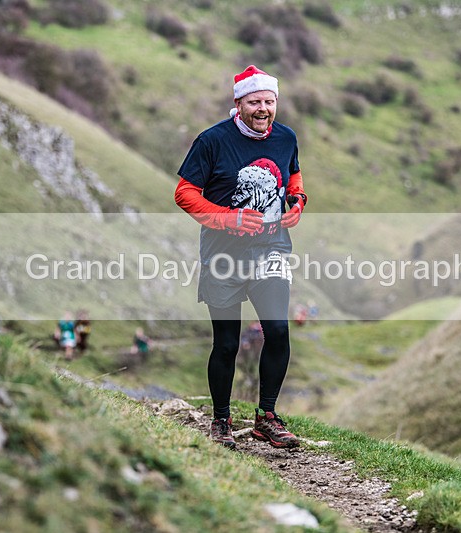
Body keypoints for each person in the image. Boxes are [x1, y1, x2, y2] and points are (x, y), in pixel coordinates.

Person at [175, 65, 307, 449]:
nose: (262, 109)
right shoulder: (212, 141)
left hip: (271, 247)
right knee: (227, 344)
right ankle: (220, 421)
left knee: (278, 332)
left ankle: (267, 416)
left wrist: (298, 202)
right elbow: (184, 193)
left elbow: (294, 176)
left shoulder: (286, 137)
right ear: (239, 103)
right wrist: (226, 218)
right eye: (254, 102)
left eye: (269, 101)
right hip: (223, 253)